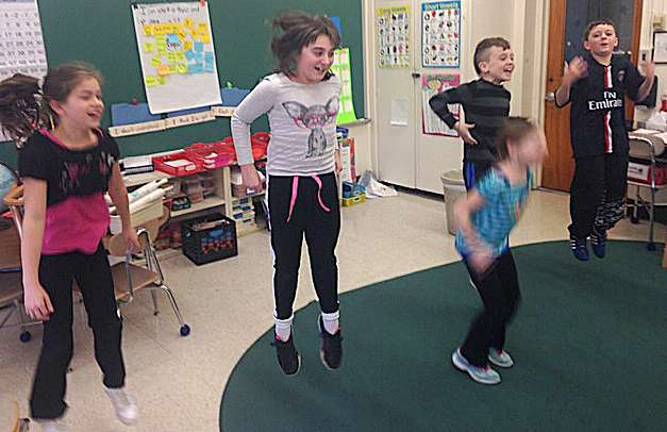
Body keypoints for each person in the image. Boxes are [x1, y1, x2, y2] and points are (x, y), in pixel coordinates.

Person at [0, 63, 139, 431]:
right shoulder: (39, 151)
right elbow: (34, 218)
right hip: (53, 256)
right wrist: (31, 282)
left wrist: (127, 227)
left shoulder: (104, 141)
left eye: (98, 95)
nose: (96, 102)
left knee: (108, 323)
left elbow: (117, 189)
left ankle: (116, 386)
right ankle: (49, 414)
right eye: (85, 96)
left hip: (90, 248)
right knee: (59, 339)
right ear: (58, 106)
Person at [231, 11, 343, 376]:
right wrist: (248, 167)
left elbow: (330, 124)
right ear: (295, 52)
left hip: (323, 183)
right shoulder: (274, 87)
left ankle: (332, 328)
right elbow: (240, 118)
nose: (325, 61)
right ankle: (283, 333)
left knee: (325, 258)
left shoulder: (333, 84)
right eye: (318, 52)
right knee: (288, 265)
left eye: (330, 53)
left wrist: (336, 156)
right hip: (286, 187)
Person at [451, 117, 547, 385]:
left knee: (512, 299)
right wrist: (479, 249)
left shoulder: (526, 173)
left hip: (499, 246)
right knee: (495, 306)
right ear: (514, 148)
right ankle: (469, 356)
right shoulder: (496, 180)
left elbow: (518, 204)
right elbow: (461, 209)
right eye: (535, 144)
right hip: (475, 249)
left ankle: (494, 343)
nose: (542, 149)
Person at [555, 19, 655, 261]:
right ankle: (579, 235)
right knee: (588, 192)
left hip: (618, 142)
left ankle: (600, 230)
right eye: (597, 34)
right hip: (588, 144)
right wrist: (567, 81)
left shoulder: (623, 65)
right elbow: (559, 100)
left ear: (615, 41)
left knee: (615, 192)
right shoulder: (581, 67)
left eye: (608, 33)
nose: (603, 37)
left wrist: (650, 77)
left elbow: (638, 96)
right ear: (587, 44)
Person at [430, 37, 515, 190]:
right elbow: (436, 101)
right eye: (503, 58)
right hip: (477, 162)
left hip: (498, 161)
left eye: (511, 58)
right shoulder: (471, 90)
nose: (510, 62)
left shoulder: (505, 95)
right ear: (484, 66)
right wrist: (456, 125)